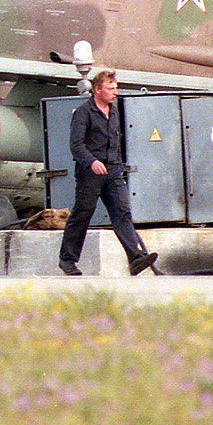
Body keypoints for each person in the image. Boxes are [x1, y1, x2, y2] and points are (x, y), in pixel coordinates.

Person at [58, 70, 158, 276]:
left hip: (112, 171)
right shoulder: (83, 113)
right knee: (83, 213)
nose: (115, 93)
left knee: (122, 213)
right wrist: (91, 161)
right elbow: (76, 145)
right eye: (110, 89)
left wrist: (118, 165)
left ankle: (135, 258)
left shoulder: (113, 112)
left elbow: (115, 143)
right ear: (97, 90)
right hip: (90, 173)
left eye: (116, 88)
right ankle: (67, 260)